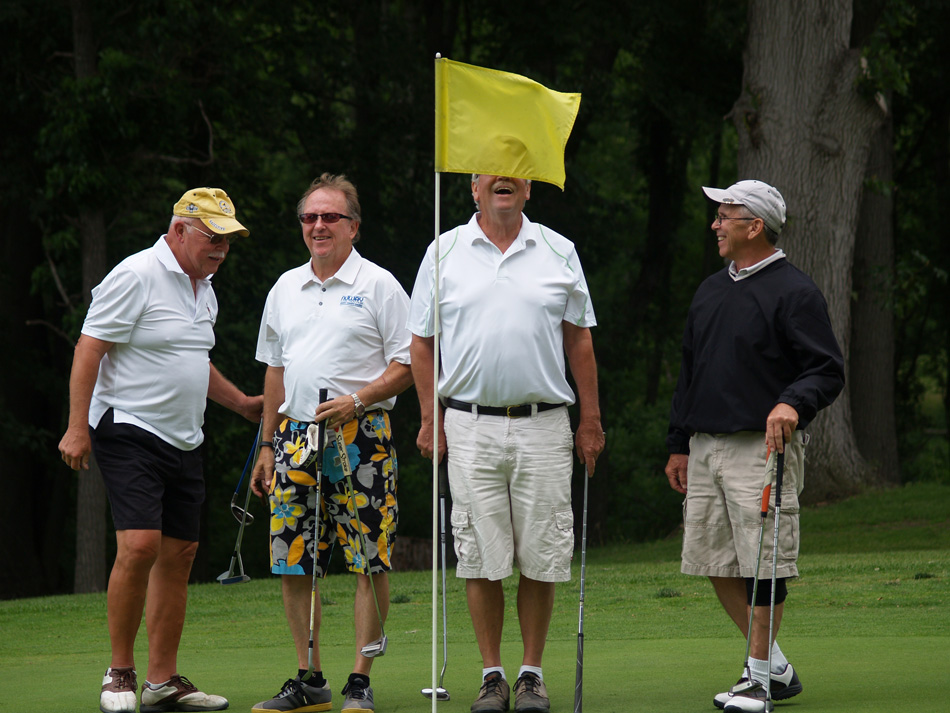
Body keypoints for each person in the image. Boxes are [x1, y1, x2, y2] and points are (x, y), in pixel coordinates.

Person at [58, 188, 263, 713]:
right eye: (212, 237)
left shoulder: (205, 287)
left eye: (227, 240)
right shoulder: (136, 275)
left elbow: (193, 359)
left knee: (180, 554)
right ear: (178, 231)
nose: (220, 248)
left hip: (185, 436)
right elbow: (90, 347)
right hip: (128, 426)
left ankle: (162, 680)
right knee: (141, 545)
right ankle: (119, 673)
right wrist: (76, 426)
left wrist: (239, 403)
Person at [407, 174, 605, 713]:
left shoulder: (558, 250)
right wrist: (431, 417)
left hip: (544, 423)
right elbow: (421, 344)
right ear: (473, 188)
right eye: (488, 171)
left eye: (513, 170)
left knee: (541, 553)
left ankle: (531, 675)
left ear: (528, 189)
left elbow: (579, 336)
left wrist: (591, 419)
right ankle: (492, 675)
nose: (502, 179)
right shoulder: (443, 250)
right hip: (468, 425)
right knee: (479, 556)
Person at [664, 180, 845, 713]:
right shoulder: (710, 290)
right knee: (716, 561)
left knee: (763, 565)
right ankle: (773, 666)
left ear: (754, 226)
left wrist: (792, 402)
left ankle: (758, 678)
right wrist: (678, 443)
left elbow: (826, 368)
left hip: (760, 451)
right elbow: (689, 374)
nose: (715, 225)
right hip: (705, 448)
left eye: (725, 216)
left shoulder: (795, 291)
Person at [250, 173, 412, 713]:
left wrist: (359, 400)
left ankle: (360, 680)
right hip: (294, 436)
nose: (319, 226)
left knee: (369, 558)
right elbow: (275, 373)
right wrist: (266, 444)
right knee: (295, 560)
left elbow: (409, 364)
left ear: (354, 227)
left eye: (330, 217)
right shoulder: (284, 288)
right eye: (310, 218)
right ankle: (308, 675)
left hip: (360, 434)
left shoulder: (381, 285)